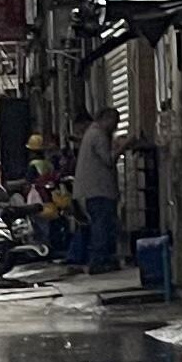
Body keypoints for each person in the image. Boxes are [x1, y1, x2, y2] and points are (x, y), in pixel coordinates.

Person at [77, 112, 121, 274]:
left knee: (102, 225)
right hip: (99, 191)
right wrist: (123, 145)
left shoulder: (92, 133)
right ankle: (99, 261)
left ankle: (103, 259)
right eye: (115, 122)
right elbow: (108, 160)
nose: (115, 127)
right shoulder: (98, 135)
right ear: (106, 119)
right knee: (101, 226)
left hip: (94, 190)